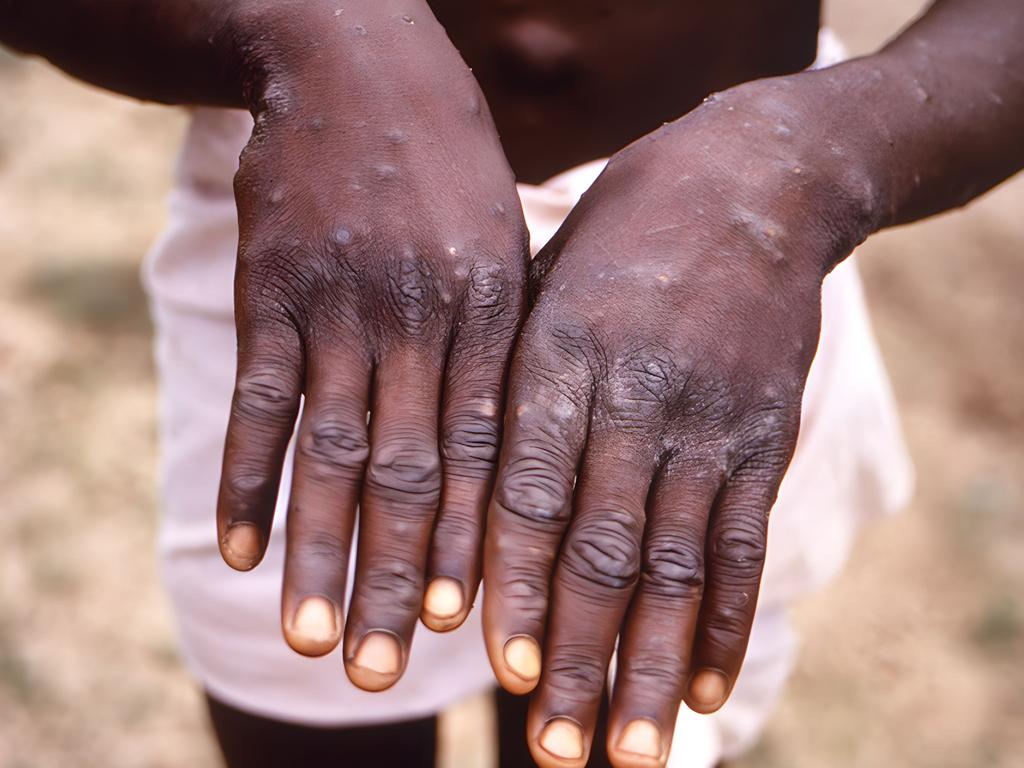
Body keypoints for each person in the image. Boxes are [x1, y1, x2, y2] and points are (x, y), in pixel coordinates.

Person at [2, 1, 1021, 766]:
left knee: (614, 720)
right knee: (299, 716)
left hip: (720, 269)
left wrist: (804, 166)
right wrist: (306, 29)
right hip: (333, 209)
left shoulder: (772, 199)